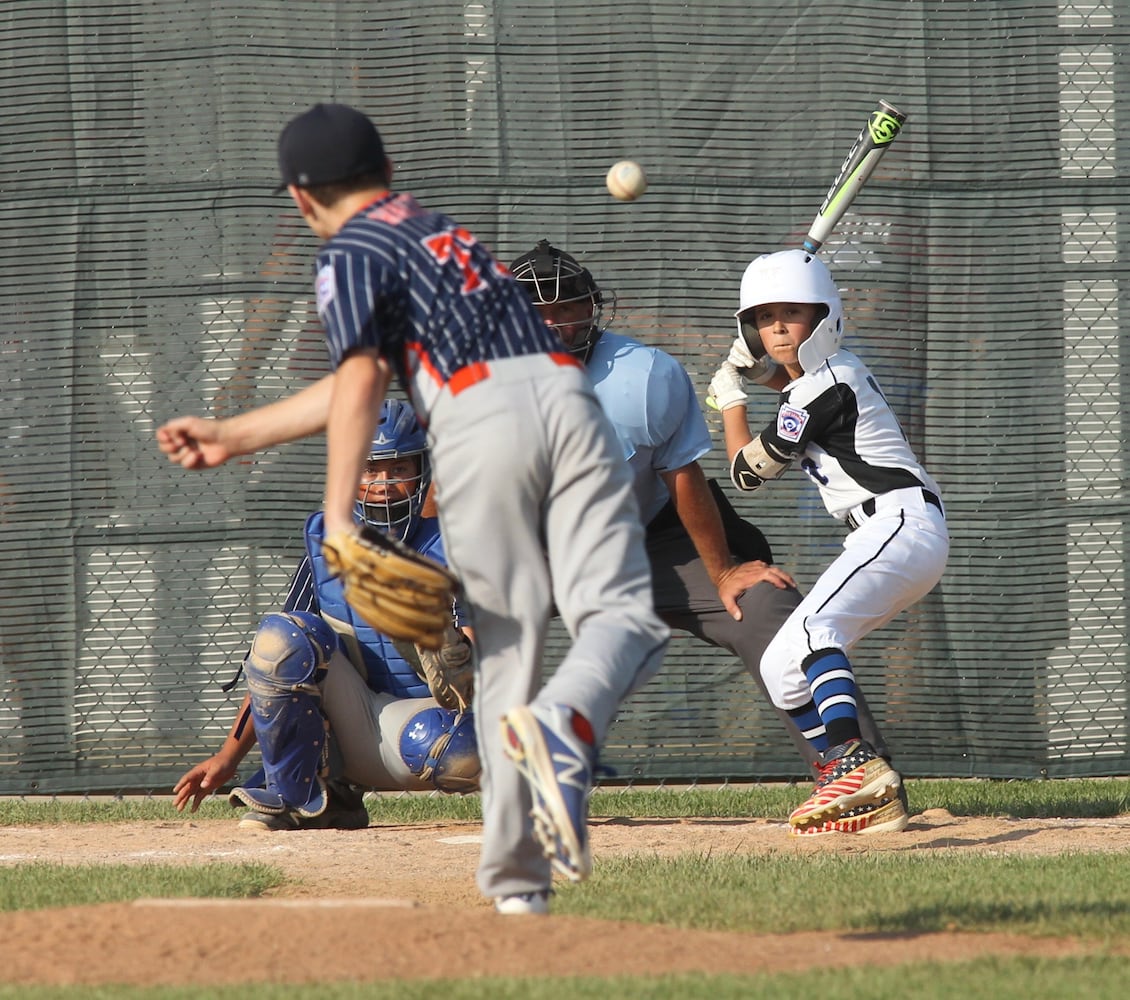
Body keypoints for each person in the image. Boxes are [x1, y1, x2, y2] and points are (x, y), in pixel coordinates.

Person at [157, 103, 669, 915]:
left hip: (484, 425)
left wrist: (339, 518)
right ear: (388, 177)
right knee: (619, 623)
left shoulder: (349, 255)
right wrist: (236, 433)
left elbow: (361, 383)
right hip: (570, 416)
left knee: (501, 653)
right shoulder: (442, 234)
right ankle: (527, 855)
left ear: (300, 197)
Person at [509, 240, 904, 836]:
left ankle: (855, 774)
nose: (555, 321)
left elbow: (685, 478)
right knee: (462, 615)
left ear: (594, 308)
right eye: (536, 310)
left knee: (765, 604)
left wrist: (722, 572)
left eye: (569, 305)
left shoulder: (640, 375)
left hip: (655, 537)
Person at [707, 248, 949, 834]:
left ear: (826, 317)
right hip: (885, 533)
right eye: (765, 319)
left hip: (898, 523)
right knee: (784, 669)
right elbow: (791, 390)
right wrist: (756, 372)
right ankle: (857, 795)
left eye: (793, 313)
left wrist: (730, 399)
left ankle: (854, 761)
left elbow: (747, 473)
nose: (779, 327)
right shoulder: (820, 383)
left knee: (817, 633)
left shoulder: (831, 381)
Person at [172, 399, 479, 830]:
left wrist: (455, 651)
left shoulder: (455, 545)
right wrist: (227, 757)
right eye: (369, 470)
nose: (383, 484)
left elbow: (491, 669)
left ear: (422, 471)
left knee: (451, 746)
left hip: (425, 724)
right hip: (354, 723)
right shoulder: (325, 543)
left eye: (398, 470)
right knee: (282, 636)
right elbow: (272, 659)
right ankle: (309, 796)